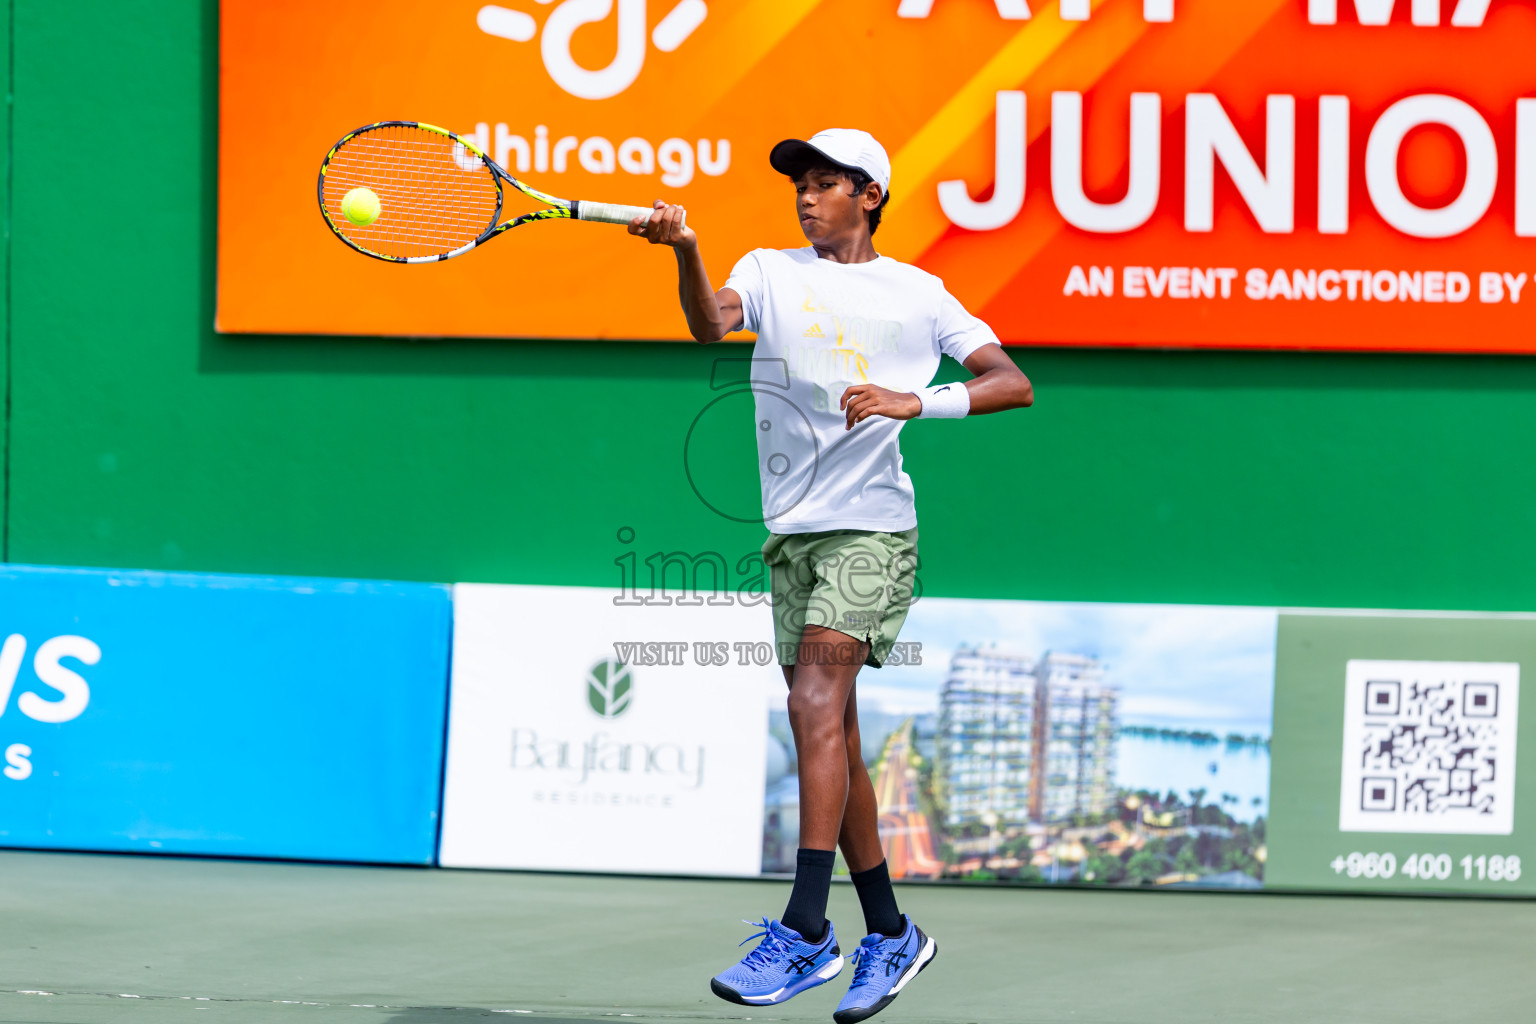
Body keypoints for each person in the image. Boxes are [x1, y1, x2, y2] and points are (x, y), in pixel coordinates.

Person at [629, 128, 1033, 1023]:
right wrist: (688, 251)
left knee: (812, 706)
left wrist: (913, 398)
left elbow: (1012, 381)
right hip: (793, 537)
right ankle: (889, 931)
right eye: (800, 186)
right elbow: (711, 321)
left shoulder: (920, 293)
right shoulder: (770, 270)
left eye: (824, 184)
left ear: (870, 195)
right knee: (837, 736)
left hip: (873, 533)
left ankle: (807, 926)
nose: (806, 199)